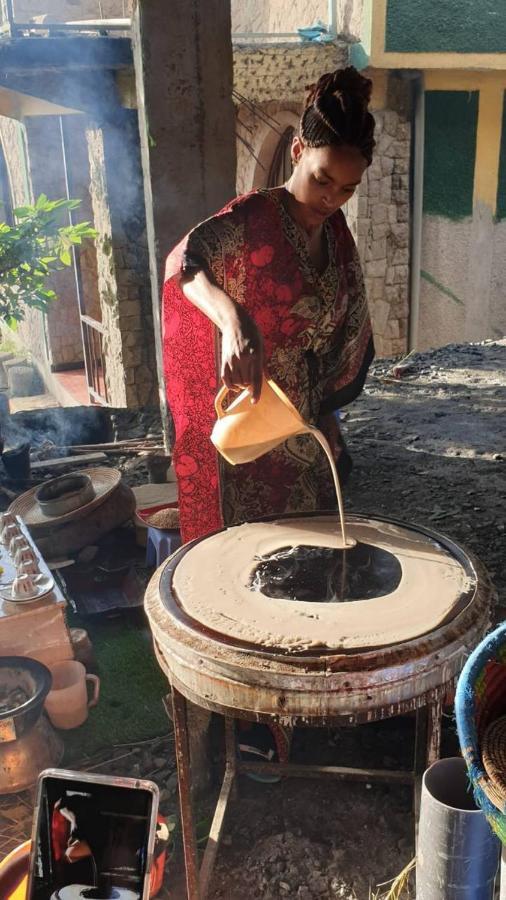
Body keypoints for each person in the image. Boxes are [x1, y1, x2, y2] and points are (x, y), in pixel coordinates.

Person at [162, 66, 376, 766]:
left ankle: (302, 698)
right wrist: (232, 322)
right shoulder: (247, 224)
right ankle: (245, 719)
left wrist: (332, 413)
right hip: (253, 425)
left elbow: (345, 334)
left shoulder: (337, 239)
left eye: (348, 187)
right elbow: (185, 264)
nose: (332, 199)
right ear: (295, 154)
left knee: (308, 563)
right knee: (245, 570)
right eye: (322, 180)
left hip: (301, 423)